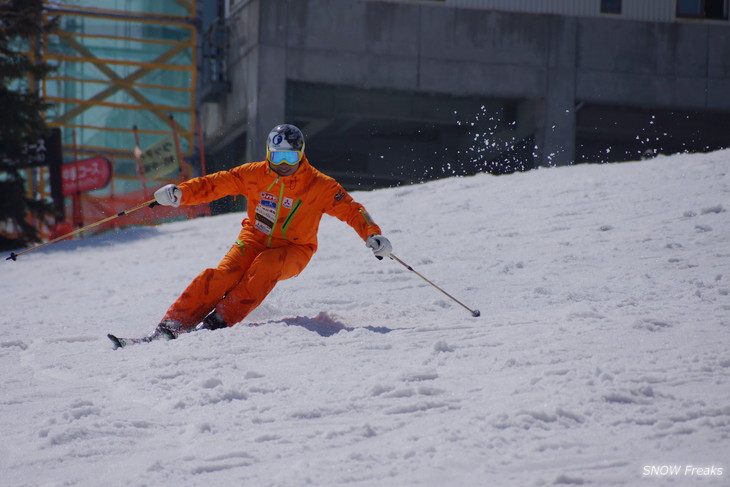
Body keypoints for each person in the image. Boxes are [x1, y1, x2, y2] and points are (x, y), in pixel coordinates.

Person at [148, 124, 392, 340]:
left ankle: (220, 320)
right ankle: (175, 322)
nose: (283, 165)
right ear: (268, 154)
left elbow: (352, 210)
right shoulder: (254, 174)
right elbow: (216, 183)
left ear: (301, 154)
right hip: (254, 237)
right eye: (277, 157)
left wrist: (372, 234)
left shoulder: (320, 185)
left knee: (266, 265)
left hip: (295, 249)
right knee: (224, 275)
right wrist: (180, 193)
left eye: (290, 157)